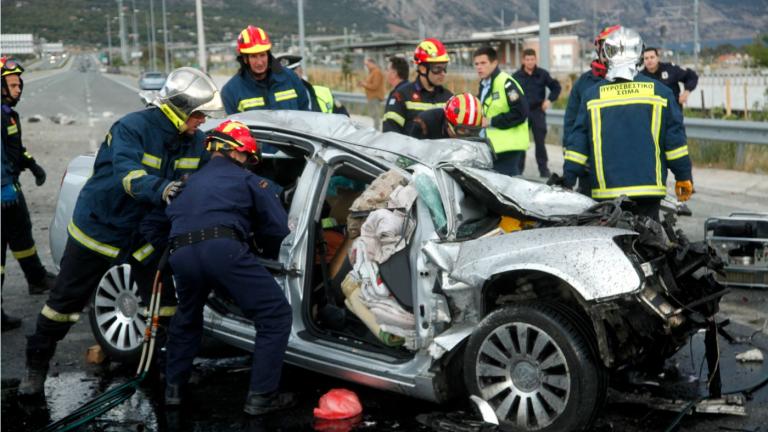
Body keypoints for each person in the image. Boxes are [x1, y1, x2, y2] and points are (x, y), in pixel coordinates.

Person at [19, 67, 224, 396]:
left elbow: (211, 177)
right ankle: (35, 369)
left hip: (143, 233)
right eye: (199, 115)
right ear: (179, 110)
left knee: (163, 304)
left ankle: (163, 368)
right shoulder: (131, 128)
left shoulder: (196, 142)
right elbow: (129, 176)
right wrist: (163, 188)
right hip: (100, 228)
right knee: (63, 305)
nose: (203, 121)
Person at [162, 120, 293, 415]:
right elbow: (278, 229)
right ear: (237, 151)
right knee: (275, 315)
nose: (247, 163)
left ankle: (173, 391)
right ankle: (261, 398)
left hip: (181, 253)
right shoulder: (248, 180)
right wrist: (260, 249)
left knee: (187, 316)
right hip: (223, 251)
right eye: (247, 156)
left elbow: (171, 217)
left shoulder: (188, 182)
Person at [562, 27, 694, 221]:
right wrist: (683, 176)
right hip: (649, 188)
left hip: (607, 192)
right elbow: (675, 144)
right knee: (648, 237)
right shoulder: (661, 93)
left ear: (607, 56)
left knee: (608, 237)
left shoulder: (592, 96)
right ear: (640, 56)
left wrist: (568, 178)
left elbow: (578, 144)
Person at [1, 56, 56, 331]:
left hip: (10, 186)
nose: (18, 89)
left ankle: (36, 279)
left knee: (22, 232)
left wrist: (32, 165)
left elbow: (15, 149)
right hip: (3, 190)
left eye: (19, 85)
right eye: (12, 85)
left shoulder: (8, 114)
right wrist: (3, 186)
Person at [563, 25, 621, 196]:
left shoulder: (638, 82)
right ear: (599, 49)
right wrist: (571, 170)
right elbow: (572, 126)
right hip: (591, 169)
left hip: (626, 168)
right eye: (608, 47)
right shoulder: (584, 83)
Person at [221, 25, 310, 115]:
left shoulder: (290, 78)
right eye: (253, 56)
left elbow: (305, 114)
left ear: (268, 55)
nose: (259, 62)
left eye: (262, 55)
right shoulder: (230, 91)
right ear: (244, 59)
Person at [474, 46, 530, 176]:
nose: (479, 67)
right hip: (491, 147)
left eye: (483, 63)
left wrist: (491, 121)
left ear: (494, 63)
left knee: (506, 185)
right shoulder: (484, 84)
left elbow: (520, 113)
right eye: (476, 64)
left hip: (508, 148)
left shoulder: (506, 83)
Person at [382, 38, 453, 134]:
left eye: (445, 68)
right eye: (437, 68)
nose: (443, 73)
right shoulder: (401, 96)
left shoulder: (449, 98)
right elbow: (390, 134)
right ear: (422, 69)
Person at [513, 48, 561, 177]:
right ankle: (518, 170)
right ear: (523, 60)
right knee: (521, 142)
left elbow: (556, 87)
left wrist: (549, 100)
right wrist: (515, 106)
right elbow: (510, 93)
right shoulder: (516, 76)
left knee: (540, 142)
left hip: (537, 112)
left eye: (532, 59)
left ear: (535, 60)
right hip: (522, 114)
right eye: (527, 59)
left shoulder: (542, 74)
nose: (530, 62)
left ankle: (543, 170)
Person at [275, 54, 349, 116]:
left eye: (292, 73)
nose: (288, 77)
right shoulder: (273, 97)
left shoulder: (323, 93)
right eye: (283, 74)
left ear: (300, 71)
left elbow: (344, 119)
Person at [406, 93, 483, 140]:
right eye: (462, 130)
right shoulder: (424, 123)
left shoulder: (473, 137)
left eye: (473, 131)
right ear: (448, 124)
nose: (467, 137)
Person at [358, 58, 386, 130]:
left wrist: (365, 84)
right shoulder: (372, 72)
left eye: (367, 64)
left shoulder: (376, 72)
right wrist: (363, 83)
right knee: (374, 114)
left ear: (372, 63)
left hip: (375, 96)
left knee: (376, 114)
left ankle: (377, 130)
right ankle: (376, 129)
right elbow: (370, 83)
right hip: (371, 97)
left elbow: (375, 86)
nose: (366, 66)